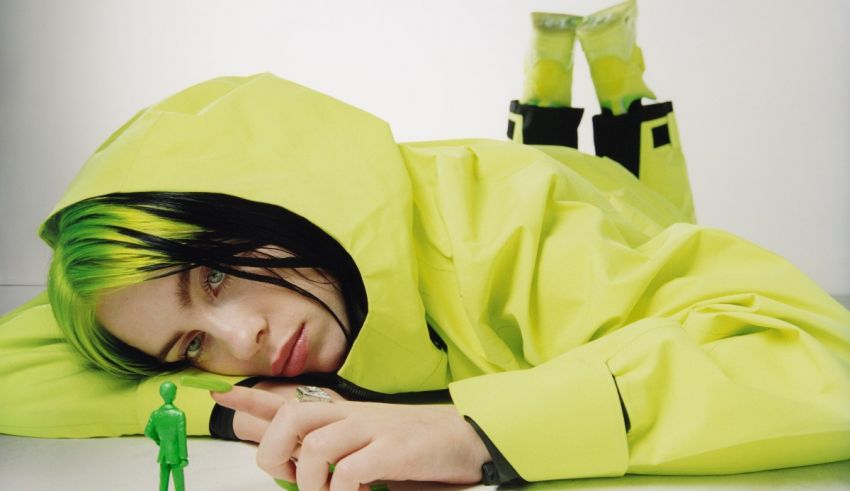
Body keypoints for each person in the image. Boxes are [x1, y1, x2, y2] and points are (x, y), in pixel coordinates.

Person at [1, 1, 849, 489]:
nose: (239, 345)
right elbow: (14, 364)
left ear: (257, 200)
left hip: (578, 200)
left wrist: (476, 432)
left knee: (647, 194)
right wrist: (223, 409)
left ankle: (606, 66)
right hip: (496, 190)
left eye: (216, 274)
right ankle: (547, 75)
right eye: (188, 345)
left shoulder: (513, 227)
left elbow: (811, 355)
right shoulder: (256, 336)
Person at [146, 381, 189, 491]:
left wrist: (159, 440)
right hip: (176, 455)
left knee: (163, 483)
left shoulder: (155, 414)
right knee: (179, 483)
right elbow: (181, 437)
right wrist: (183, 457)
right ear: (174, 394)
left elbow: (148, 431)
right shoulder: (179, 414)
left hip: (163, 454)